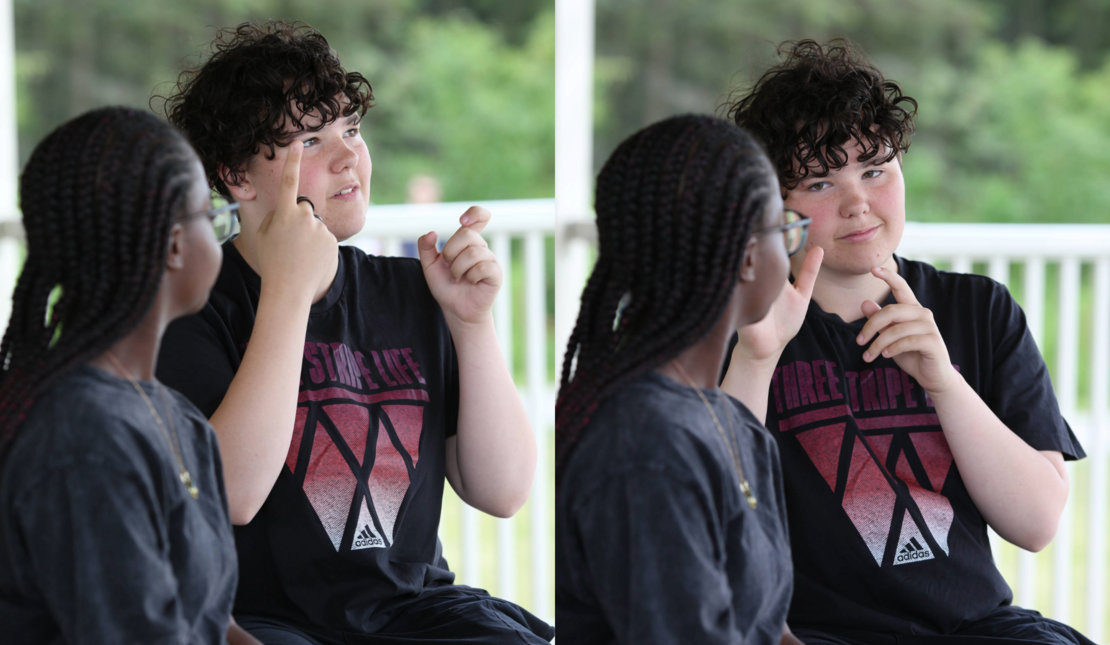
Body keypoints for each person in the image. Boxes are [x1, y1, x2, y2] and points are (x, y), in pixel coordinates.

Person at [154, 21, 552, 645]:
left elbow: (502, 491)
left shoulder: (413, 291)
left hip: (415, 614)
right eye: (310, 140)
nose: (349, 157)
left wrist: (472, 323)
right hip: (258, 622)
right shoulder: (193, 309)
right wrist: (287, 293)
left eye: (352, 130)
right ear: (237, 174)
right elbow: (231, 493)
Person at [722, 40, 1092, 645]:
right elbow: (704, 524)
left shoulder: (979, 309)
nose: (857, 203)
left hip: (981, 629)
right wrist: (757, 359)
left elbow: (1038, 522)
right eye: (818, 182)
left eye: (875, 170)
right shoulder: (739, 324)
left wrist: (945, 381)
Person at [555, 114, 823, 645]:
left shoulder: (730, 422)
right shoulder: (644, 448)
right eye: (783, 226)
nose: (790, 245)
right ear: (748, 256)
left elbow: (771, 631)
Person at [0, 107, 260, 644]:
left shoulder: (174, 415)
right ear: (172, 245)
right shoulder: (83, 439)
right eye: (211, 215)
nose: (221, 230)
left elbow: (216, 624)